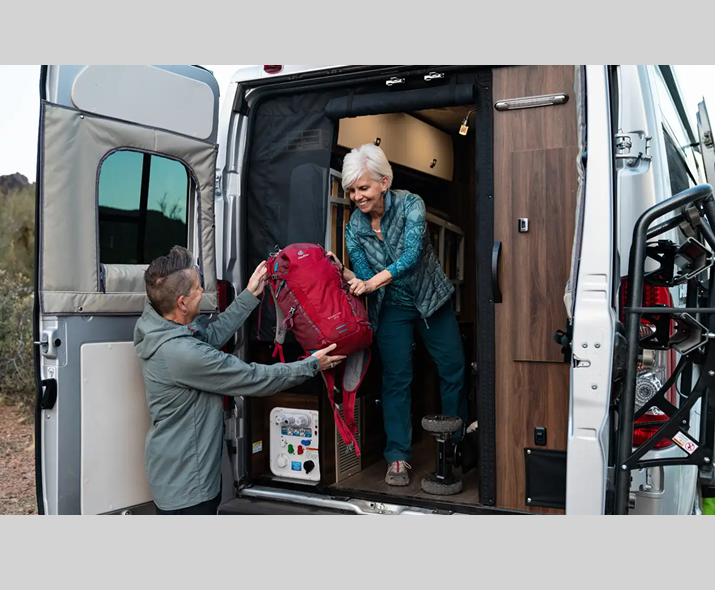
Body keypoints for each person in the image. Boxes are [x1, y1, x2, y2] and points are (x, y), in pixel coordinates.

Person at [133, 245, 344, 514]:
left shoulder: (161, 327)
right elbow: (253, 377)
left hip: (176, 473)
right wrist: (311, 365)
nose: (203, 291)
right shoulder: (182, 353)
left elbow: (208, 338)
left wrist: (249, 295)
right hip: (188, 486)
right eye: (197, 288)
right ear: (182, 303)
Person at [328, 143, 467, 487]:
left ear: (384, 182)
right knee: (395, 380)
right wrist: (345, 273)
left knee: (453, 369)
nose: (357, 197)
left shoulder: (411, 205)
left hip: (431, 300)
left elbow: (412, 255)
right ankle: (398, 457)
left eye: (363, 188)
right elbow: (364, 275)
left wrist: (371, 282)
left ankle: (456, 447)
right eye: (352, 190)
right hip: (392, 307)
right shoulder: (354, 228)